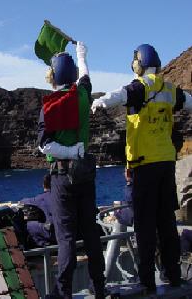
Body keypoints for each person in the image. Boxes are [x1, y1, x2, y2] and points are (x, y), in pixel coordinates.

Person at [91, 43, 192, 291]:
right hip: (166, 163)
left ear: (139, 63)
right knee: (167, 223)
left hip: (143, 165)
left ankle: (147, 281)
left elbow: (118, 95)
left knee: (145, 227)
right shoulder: (170, 90)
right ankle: (173, 275)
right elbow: (189, 100)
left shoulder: (139, 87)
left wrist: (99, 102)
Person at [37, 41, 106, 298]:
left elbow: (44, 145)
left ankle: (64, 293)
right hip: (85, 174)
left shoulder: (51, 105)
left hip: (62, 177)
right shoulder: (84, 95)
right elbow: (86, 75)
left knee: (66, 237)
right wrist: (81, 53)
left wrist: (69, 151)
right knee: (90, 231)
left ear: (55, 76)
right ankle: (99, 287)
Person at [20, 174, 55, 248]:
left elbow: (24, 202)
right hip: (67, 231)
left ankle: (42, 244)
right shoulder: (62, 197)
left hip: (53, 234)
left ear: (43, 185)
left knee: (30, 225)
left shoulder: (40, 198)